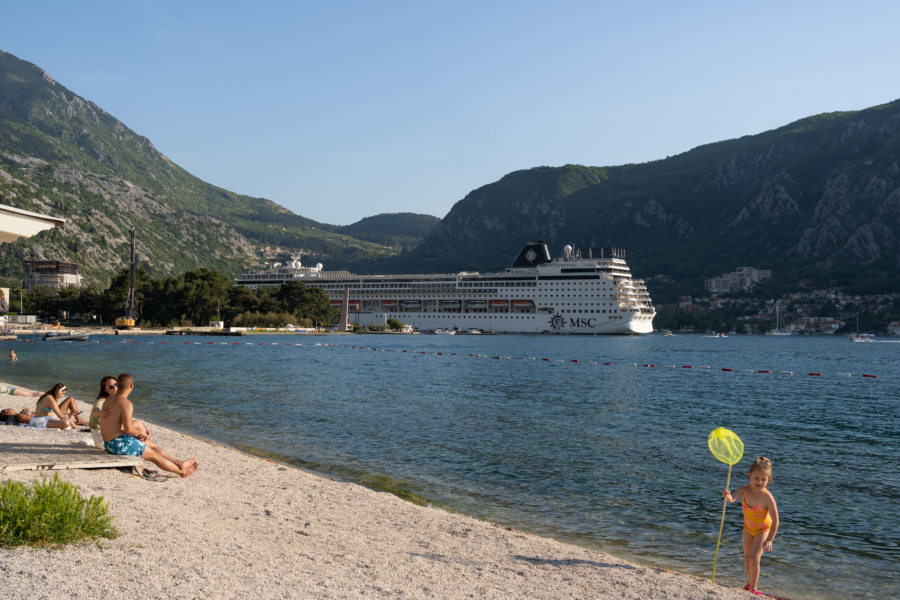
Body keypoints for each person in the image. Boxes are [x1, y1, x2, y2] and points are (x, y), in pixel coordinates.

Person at [100, 373, 198, 478]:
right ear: (131, 386)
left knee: (149, 443)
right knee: (153, 455)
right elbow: (128, 429)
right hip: (117, 445)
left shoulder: (108, 400)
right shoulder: (126, 403)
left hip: (109, 443)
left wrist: (138, 435)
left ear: (118, 385)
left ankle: (178, 462)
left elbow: (113, 424)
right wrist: (141, 433)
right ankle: (182, 472)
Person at [723, 456, 780, 596]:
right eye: (756, 478)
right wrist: (727, 496)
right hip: (748, 529)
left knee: (755, 558)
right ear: (749, 475)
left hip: (763, 530)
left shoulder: (767, 497)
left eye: (763, 479)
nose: (759, 482)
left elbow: (776, 520)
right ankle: (748, 584)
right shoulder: (744, 490)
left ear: (768, 479)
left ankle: (754, 588)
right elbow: (732, 499)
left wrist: (770, 539)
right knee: (747, 558)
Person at [89, 375, 150, 448]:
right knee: (137, 423)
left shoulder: (114, 399)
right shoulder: (102, 400)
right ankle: (146, 443)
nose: (114, 387)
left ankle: (144, 440)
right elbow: (94, 411)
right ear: (105, 389)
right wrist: (100, 412)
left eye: (116, 384)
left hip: (107, 437)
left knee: (133, 425)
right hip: (102, 438)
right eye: (111, 387)